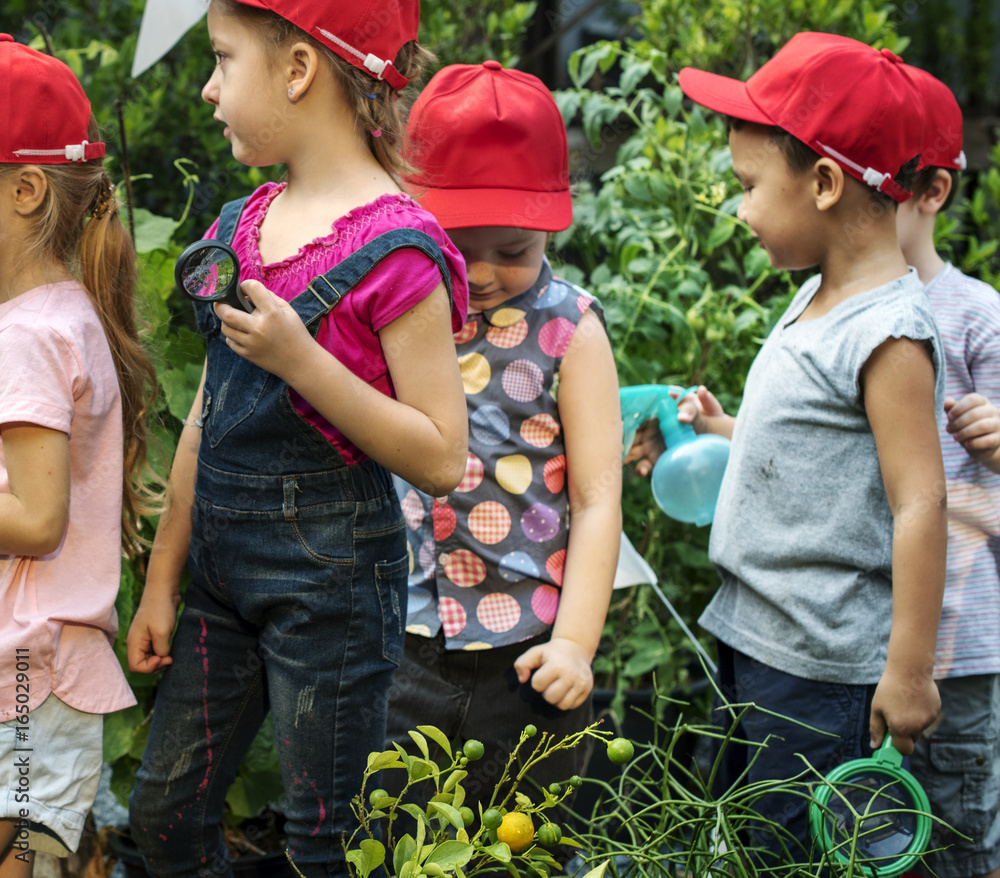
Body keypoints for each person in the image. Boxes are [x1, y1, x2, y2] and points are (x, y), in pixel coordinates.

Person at [124, 1, 469, 875]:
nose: (207, 89)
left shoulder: (398, 250)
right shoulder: (242, 225)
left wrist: (304, 361)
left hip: (334, 582)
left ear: (298, 71)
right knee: (163, 817)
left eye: (222, 59)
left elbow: (440, 455)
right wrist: (164, 577)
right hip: (217, 577)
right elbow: (209, 409)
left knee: (325, 837)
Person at [669, 32, 947, 862]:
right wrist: (729, 429)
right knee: (758, 840)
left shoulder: (889, 333)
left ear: (824, 183)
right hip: (760, 638)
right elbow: (827, 443)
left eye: (749, 186)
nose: (740, 207)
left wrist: (907, 670)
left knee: (809, 851)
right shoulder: (820, 298)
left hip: (823, 670)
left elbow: (919, 500)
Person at [385, 62, 622, 810]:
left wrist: (576, 645)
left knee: (522, 846)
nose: (483, 272)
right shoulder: (398, 308)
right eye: (458, 243)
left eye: (513, 250)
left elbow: (597, 498)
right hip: (400, 645)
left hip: (529, 658)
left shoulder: (570, 331)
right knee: (388, 841)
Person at [0, 36, 158, 876]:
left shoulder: (29, 336)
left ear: (25, 190)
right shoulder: (58, 315)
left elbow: (34, 517)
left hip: (27, 675)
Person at [896, 66, 1000, 878]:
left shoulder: (976, 316)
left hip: (958, 647)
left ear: (931, 192)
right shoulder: (836, 312)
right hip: (871, 640)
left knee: (957, 844)